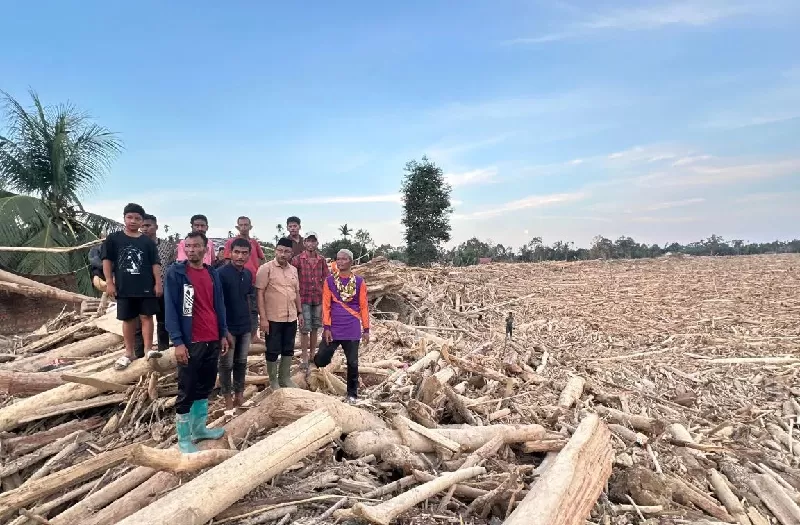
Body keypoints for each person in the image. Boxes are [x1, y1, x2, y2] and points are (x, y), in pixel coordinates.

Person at [164, 231, 229, 453]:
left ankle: (199, 429)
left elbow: (218, 304)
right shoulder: (178, 273)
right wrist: (178, 341)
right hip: (191, 340)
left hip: (212, 338)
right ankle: (183, 438)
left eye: (196, 246)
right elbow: (172, 308)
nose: (191, 250)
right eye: (188, 246)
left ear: (205, 248)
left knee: (206, 385)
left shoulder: (212, 274)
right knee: (187, 387)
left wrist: (223, 333)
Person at [101, 203, 161, 370]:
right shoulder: (114, 239)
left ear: (142, 221)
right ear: (124, 218)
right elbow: (107, 261)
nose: (133, 221)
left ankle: (149, 349)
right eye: (130, 217)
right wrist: (109, 282)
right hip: (124, 286)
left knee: (146, 317)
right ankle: (129, 352)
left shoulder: (147, 243)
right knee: (127, 319)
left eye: (137, 218)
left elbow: (155, 264)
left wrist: (158, 283)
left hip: (146, 286)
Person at [314, 249, 369, 403]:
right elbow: (326, 305)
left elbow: (364, 306)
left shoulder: (359, 282)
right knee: (322, 360)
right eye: (338, 259)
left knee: (352, 363)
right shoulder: (330, 281)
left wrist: (366, 329)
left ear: (351, 262)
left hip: (352, 327)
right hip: (333, 328)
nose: (340, 262)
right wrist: (326, 327)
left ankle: (352, 394)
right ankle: (314, 364)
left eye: (344, 259)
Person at [256, 237, 304, 389]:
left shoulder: (294, 270)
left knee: (288, 348)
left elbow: (296, 292)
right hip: (273, 318)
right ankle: (273, 381)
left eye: (287, 252)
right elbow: (259, 294)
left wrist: (300, 312)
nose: (283, 254)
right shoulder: (266, 269)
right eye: (280, 251)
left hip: (291, 317)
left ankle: (285, 378)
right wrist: (263, 318)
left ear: (291, 254)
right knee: (273, 349)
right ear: (276, 251)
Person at [217, 238, 254, 412]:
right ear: (230, 253)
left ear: (249, 255)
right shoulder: (221, 274)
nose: (240, 256)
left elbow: (248, 299)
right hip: (228, 328)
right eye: (237, 252)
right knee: (226, 364)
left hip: (244, 326)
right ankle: (228, 401)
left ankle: (239, 397)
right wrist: (223, 331)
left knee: (241, 362)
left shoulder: (247, 274)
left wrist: (253, 325)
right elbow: (217, 304)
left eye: (244, 253)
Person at [133, 214, 172, 356]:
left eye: (148, 225)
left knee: (163, 322)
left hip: (162, 289)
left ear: (156, 226)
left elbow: (171, 266)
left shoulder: (167, 246)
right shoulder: (134, 245)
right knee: (139, 324)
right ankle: (140, 355)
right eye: (142, 226)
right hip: (140, 290)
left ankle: (163, 353)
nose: (145, 229)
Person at [291, 232, 329, 372]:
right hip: (304, 297)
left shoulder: (321, 260)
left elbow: (326, 278)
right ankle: (305, 357)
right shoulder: (297, 260)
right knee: (304, 328)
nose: (311, 244)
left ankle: (313, 353)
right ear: (304, 243)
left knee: (315, 327)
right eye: (308, 241)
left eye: (314, 241)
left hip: (318, 297)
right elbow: (292, 278)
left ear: (317, 243)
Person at [224, 216, 266, 343]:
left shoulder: (254, 243)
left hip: (253, 280)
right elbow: (227, 261)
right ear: (237, 227)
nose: (243, 227)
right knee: (235, 307)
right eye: (241, 225)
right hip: (236, 281)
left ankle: (253, 335)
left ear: (250, 226)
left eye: (246, 225)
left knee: (253, 309)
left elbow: (262, 258)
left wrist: (257, 269)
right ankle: (233, 334)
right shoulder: (231, 242)